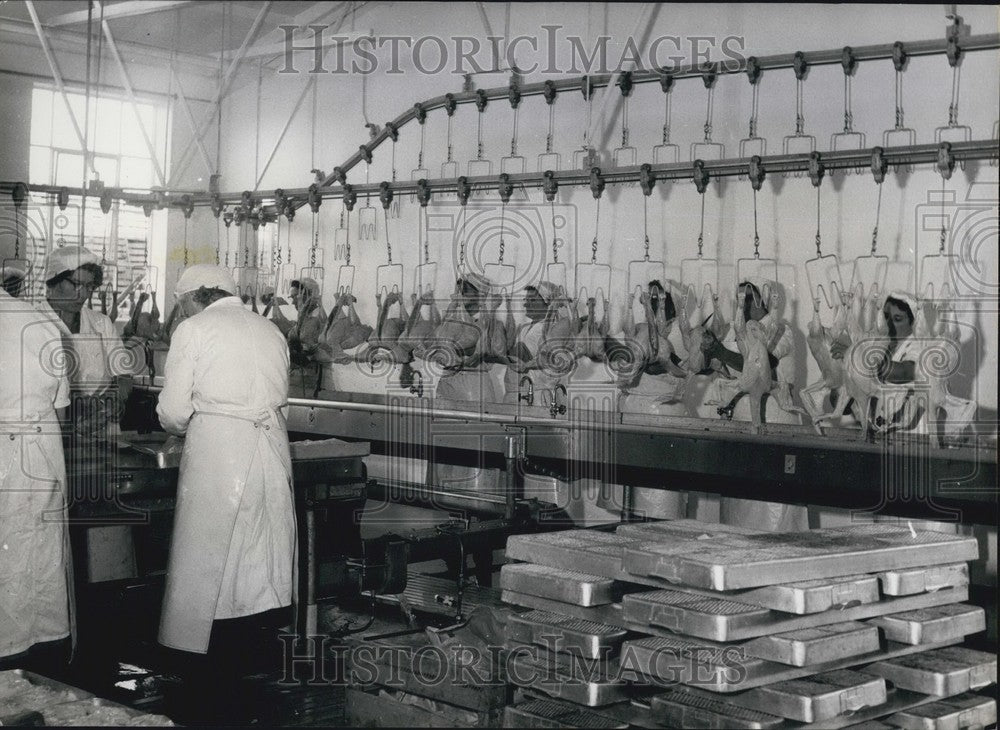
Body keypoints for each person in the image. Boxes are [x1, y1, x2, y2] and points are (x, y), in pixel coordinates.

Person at [156, 264, 295, 661]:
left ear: (198, 295)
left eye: (181, 303)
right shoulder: (269, 330)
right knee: (256, 554)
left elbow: (175, 411)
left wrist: (170, 421)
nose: (181, 312)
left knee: (209, 554)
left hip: (220, 450)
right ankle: (252, 649)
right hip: (269, 447)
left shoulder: (195, 330)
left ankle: (203, 658)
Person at [0, 285, 73, 670]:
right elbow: (60, 408)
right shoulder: (41, 321)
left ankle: (9, 654)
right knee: (41, 546)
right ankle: (46, 646)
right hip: (44, 446)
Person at [699, 281, 808, 531]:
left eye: (750, 297)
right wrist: (709, 355)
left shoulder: (781, 330)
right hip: (740, 423)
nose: (746, 303)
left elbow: (758, 365)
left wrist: (720, 352)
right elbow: (720, 367)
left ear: (763, 300)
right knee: (739, 508)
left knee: (772, 507)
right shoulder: (733, 333)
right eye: (741, 299)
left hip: (774, 421)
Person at [37, 246, 145, 437]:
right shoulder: (34, 321)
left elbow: (123, 374)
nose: (84, 294)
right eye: (76, 284)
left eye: (89, 287)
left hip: (101, 424)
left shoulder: (101, 323)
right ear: (53, 281)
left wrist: (113, 401)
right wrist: (78, 405)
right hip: (52, 425)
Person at [504, 281, 564, 407]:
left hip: (538, 398)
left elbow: (519, 355)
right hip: (517, 394)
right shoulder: (524, 328)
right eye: (526, 299)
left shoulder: (551, 329)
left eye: (532, 300)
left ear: (548, 303)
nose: (526, 304)